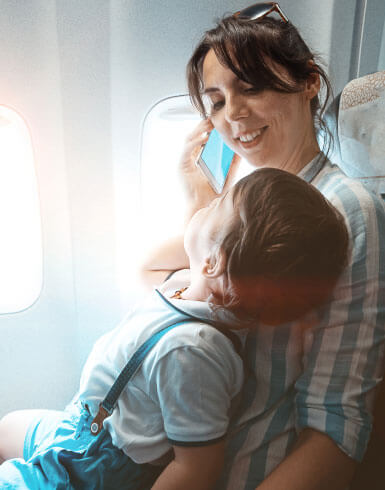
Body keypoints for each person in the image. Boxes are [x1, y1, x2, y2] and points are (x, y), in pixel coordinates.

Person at [140, 4, 385, 490]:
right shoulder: (246, 202)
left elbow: (335, 430)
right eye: (215, 101)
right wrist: (200, 200)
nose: (233, 115)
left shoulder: (347, 211)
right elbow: (150, 270)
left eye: (251, 88)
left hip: (247, 469)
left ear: (309, 82)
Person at [0, 168, 348, 489]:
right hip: (82, 428)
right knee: (7, 426)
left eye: (221, 203)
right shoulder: (188, 286)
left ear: (214, 263)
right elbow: (150, 265)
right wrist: (200, 202)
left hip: (98, 467)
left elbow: (195, 468)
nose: (213, 199)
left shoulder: (193, 351)